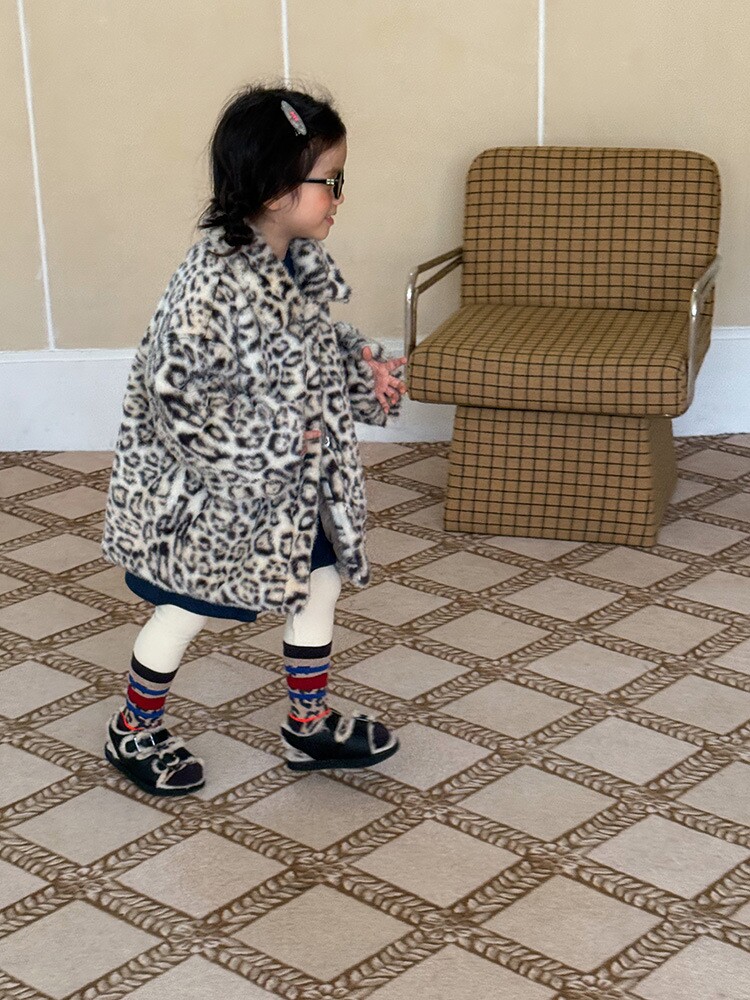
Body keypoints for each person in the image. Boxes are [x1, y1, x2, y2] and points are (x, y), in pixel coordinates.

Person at [101, 85, 407, 797]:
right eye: (329, 180)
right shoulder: (210, 282)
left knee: (318, 583)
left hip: (292, 491)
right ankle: (132, 728)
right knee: (187, 608)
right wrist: (260, 450)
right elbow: (174, 391)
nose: (338, 196)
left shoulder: (291, 262)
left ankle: (308, 724)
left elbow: (310, 346)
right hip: (218, 499)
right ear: (274, 190)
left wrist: (359, 367)